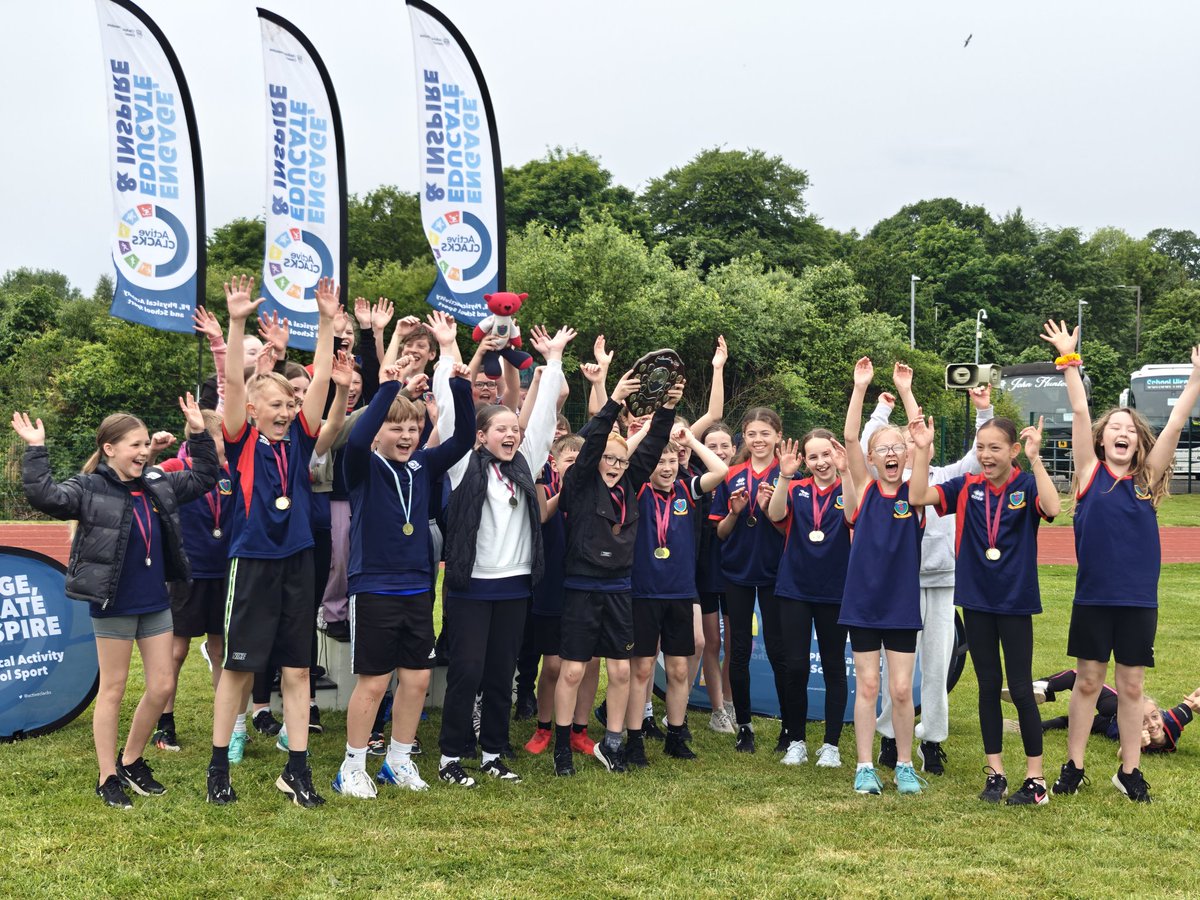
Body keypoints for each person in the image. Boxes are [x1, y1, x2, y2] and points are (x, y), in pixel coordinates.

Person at [15, 395, 218, 808]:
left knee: (161, 685)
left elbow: (204, 477)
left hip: (154, 601)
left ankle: (132, 759)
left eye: (146, 444)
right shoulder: (90, 487)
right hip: (113, 603)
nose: (144, 452)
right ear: (110, 449)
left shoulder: (159, 483)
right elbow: (46, 496)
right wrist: (36, 450)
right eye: (135, 445)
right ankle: (108, 776)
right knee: (114, 689)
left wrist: (197, 433)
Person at [1040, 321, 1200, 803]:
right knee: (1088, 683)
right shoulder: (1088, 474)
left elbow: (1172, 426)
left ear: (1138, 441)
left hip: (1137, 602)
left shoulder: (1147, 481)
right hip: (1093, 599)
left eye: (1130, 430)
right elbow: (1080, 407)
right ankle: (1074, 765)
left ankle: (1128, 771)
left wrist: (1194, 383)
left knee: (1131, 688)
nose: (1122, 434)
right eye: (1115, 430)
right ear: (1102, 440)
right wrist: (1070, 360)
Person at [205, 274, 339, 808]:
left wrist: (326, 322)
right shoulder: (240, 439)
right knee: (239, 667)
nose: (284, 411)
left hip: (298, 560)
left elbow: (324, 380)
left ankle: (297, 771)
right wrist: (236, 324)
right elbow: (234, 388)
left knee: (299, 667)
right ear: (254, 412)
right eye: (274, 405)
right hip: (254, 560)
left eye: (289, 403)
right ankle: (219, 768)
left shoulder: (302, 436)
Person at [436, 325, 574, 787]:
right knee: (467, 672)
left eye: (514, 430)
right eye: (502, 429)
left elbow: (542, 423)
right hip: (472, 586)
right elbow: (452, 422)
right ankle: (451, 756)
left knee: (501, 674)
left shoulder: (525, 462)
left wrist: (552, 362)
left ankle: (493, 752)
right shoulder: (461, 464)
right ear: (481, 435)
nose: (512, 435)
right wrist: (445, 355)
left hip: (515, 586)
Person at [332, 356, 475, 799]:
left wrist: (461, 387)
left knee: (416, 679)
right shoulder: (361, 465)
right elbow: (356, 438)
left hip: (418, 588)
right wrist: (388, 389)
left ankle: (398, 759)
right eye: (397, 429)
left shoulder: (423, 466)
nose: (407, 436)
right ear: (378, 433)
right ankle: (352, 765)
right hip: (374, 587)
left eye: (413, 429)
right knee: (374, 682)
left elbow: (466, 438)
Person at [909, 415, 1060, 805]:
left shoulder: (1025, 485)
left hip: (1014, 601)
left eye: (995, 448)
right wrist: (923, 448)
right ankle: (996, 774)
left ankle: (1036, 780)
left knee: (1022, 688)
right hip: (976, 600)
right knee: (988, 686)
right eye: (981, 448)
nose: (986, 455)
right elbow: (917, 497)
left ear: (1012, 451)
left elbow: (1053, 506)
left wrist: (1037, 459)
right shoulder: (966, 486)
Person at [864, 366, 995, 775]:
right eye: (900, 445)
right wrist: (884, 412)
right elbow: (865, 445)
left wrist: (983, 411)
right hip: (897, 586)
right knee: (894, 670)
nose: (908, 448)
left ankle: (932, 740)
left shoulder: (948, 478)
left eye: (916, 440)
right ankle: (889, 736)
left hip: (942, 584)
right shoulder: (886, 481)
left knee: (936, 667)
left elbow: (978, 454)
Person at [552, 368, 680, 776]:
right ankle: (562, 748)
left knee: (621, 669)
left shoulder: (629, 483)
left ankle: (612, 743)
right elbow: (590, 448)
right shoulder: (580, 483)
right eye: (609, 458)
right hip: (581, 587)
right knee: (573, 669)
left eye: (621, 460)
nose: (615, 465)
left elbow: (654, 444)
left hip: (619, 588)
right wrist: (613, 401)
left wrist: (668, 409)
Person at [839, 357, 925, 796]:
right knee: (869, 685)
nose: (890, 453)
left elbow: (922, 438)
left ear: (906, 455)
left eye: (897, 448)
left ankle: (906, 765)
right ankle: (864, 766)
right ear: (871, 459)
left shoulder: (917, 493)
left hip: (902, 604)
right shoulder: (867, 488)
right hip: (865, 603)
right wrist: (861, 388)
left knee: (901, 689)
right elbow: (851, 436)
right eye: (882, 449)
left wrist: (907, 394)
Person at [625, 427, 728, 766]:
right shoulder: (636, 489)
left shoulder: (686, 489)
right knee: (641, 670)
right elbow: (624, 457)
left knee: (680, 670)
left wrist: (692, 443)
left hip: (681, 594)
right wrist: (643, 437)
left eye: (671, 461)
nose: (666, 468)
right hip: (644, 593)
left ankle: (675, 734)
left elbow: (720, 471)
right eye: (659, 462)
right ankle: (635, 738)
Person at [765, 429, 852, 769]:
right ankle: (797, 740)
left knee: (833, 667)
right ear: (805, 460)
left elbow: (853, 517)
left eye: (826, 454)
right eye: (813, 456)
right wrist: (785, 476)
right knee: (796, 666)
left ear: (836, 455)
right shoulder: (797, 488)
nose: (820, 462)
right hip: (795, 589)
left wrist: (847, 473)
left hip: (835, 590)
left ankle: (831, 745)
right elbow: (774, 515)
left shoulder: (849, 489)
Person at [150, 410, 233, 755]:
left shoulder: (232, 470)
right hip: (188, 572)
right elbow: (139, 477)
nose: (221, 455)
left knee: (220, 651)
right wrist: (153, 451)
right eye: (215, 448)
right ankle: (164, 723)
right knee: (177, 650)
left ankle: (225, 724)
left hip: (225, 570)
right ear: (194, 444)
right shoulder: (174, 468)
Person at [710, 408, 786, 753]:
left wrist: (770, 508)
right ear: (744, 436)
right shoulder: (731, 474)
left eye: (765, 434)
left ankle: (789, 727)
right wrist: (735, 512)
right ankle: (745, 726)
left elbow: (787, 526)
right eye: (752, 434)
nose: (758, 440)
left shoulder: (786, 474)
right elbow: (721, 533)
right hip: (737, 572)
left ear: (777, 437)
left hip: (775, 574)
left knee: (779, 650)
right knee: (738, 649)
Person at [524, 434, 601, 759]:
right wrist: (565, 491)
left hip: (589, 590)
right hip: (552, 589)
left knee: (590, 663)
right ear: (555, 463)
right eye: (571, 460)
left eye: (583, 460)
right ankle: (544, 726)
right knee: (554, 666)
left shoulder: (601, 493)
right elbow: (542, 515)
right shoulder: (548, 491)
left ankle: (579, 731)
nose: (578, 466)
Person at [1020, 671, 1199, 755]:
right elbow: (1193, 698)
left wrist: (1135, 745)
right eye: (1144, 721)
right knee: (1083, 678)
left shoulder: (1150, 735)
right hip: (1117, 707)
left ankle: (1033, 727)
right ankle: (1040, 687)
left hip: (1109, 727)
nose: (1152, 724)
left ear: (1159, 714)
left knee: (1075, 721)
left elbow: (1121, 755)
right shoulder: (1173, 721)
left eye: (1154, 717)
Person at [700, 423, 737, 731]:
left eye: (724, 445)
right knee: (712, 641)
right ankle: (716, 710)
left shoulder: (740, 481)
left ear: (734, 449)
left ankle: (729, 701)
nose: (719, 451)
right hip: (705, 570)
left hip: (736, 571)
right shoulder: (697, 484)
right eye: (712, 447)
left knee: (736, 642)